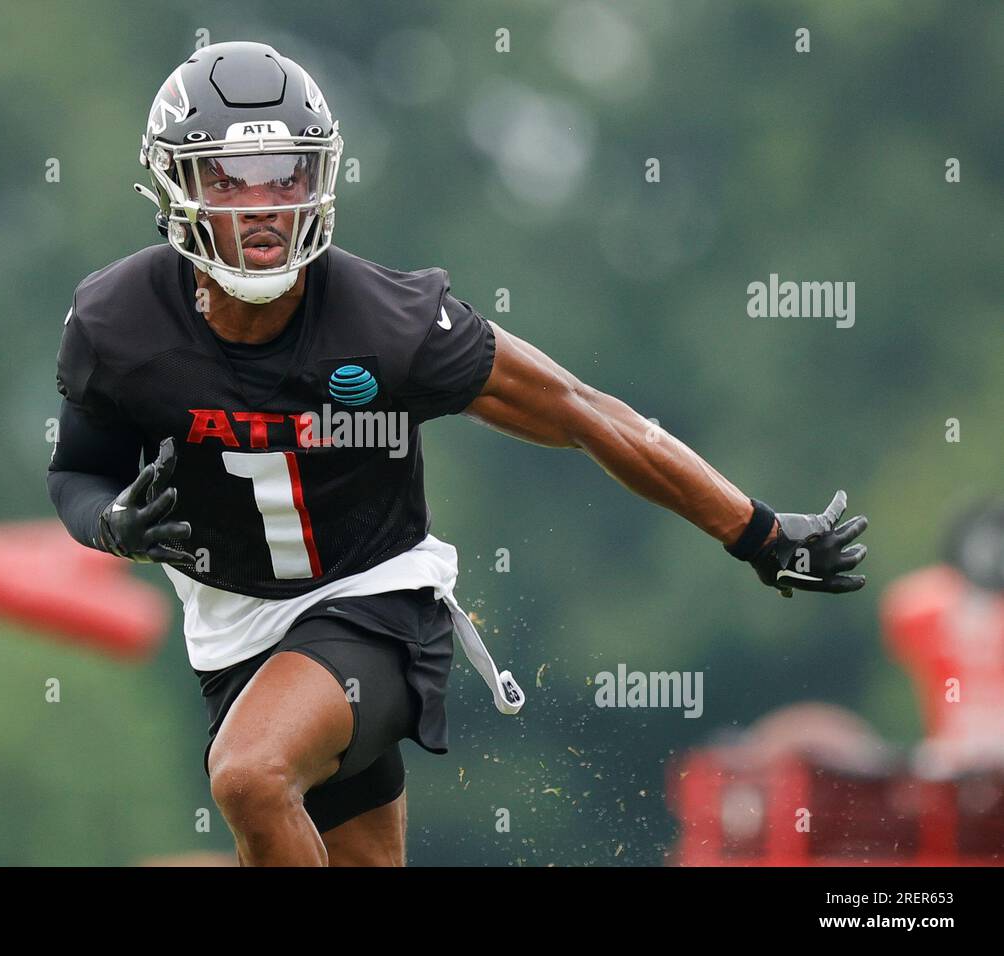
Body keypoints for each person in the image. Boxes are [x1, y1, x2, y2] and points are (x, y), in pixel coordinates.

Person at [46, 41, 870, 866]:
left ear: (319, 180)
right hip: (232, 636)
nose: (262, 204)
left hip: (372, 606)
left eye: (285, 175)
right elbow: (77, 471)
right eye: (228, 178)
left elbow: (582, 411)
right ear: (176, 186)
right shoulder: (118, 321)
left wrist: (755, 530)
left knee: (250, 778)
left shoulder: (388, 324)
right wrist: (111, 526)